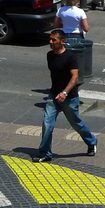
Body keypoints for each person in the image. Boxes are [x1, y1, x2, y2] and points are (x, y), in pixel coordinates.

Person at [33, 29, 97, 163]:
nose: (50, 42)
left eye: (53, 40)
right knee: (47, 124)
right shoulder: (49, 55)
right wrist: (57, 93)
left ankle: (92, 141)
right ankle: (45, 153)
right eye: (50, 39)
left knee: (76, 124)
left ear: (62, 41)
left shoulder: (70, 57)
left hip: (69, 98)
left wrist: (65, 92)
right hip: (54, 96)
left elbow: (74, 77)